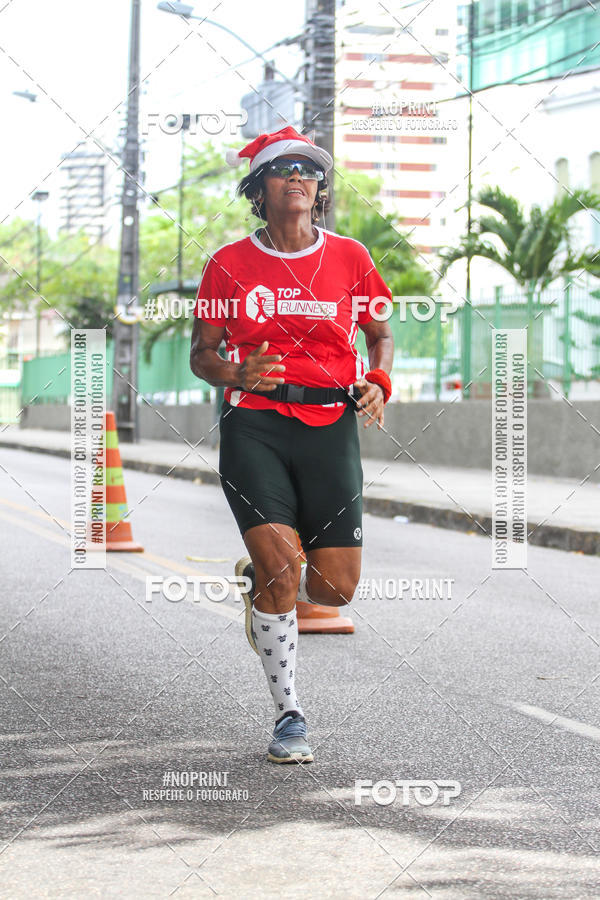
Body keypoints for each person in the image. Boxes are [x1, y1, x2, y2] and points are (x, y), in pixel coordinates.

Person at [190, 126, 394, 764]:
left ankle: (263, 584)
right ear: (260, 188)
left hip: (331, 427)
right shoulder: (228, 263)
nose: (299, 178)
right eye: (284, 170)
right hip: (256, 427)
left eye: (310, 170)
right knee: (285, 573)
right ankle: (289, 716)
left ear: (320, 188)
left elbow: (380, 332)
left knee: (333, 590)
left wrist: (379, 380)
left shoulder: (351, 257)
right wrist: (235, 374)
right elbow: (202, 355)